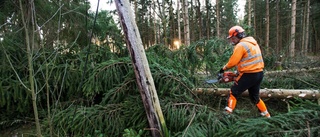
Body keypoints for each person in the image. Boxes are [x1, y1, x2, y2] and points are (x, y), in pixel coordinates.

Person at [219, 26, 270, 118]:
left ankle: (226, 115)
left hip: (249, 74)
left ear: (238, 36)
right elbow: (248, 61)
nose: (232, 41)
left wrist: (223, 69)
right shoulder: (253, 43)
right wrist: (237, 73)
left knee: (233, 93)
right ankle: (267, 116)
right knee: (255, 97)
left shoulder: (241, 45)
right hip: (259, 73)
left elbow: (233, 62)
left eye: (233, 38)